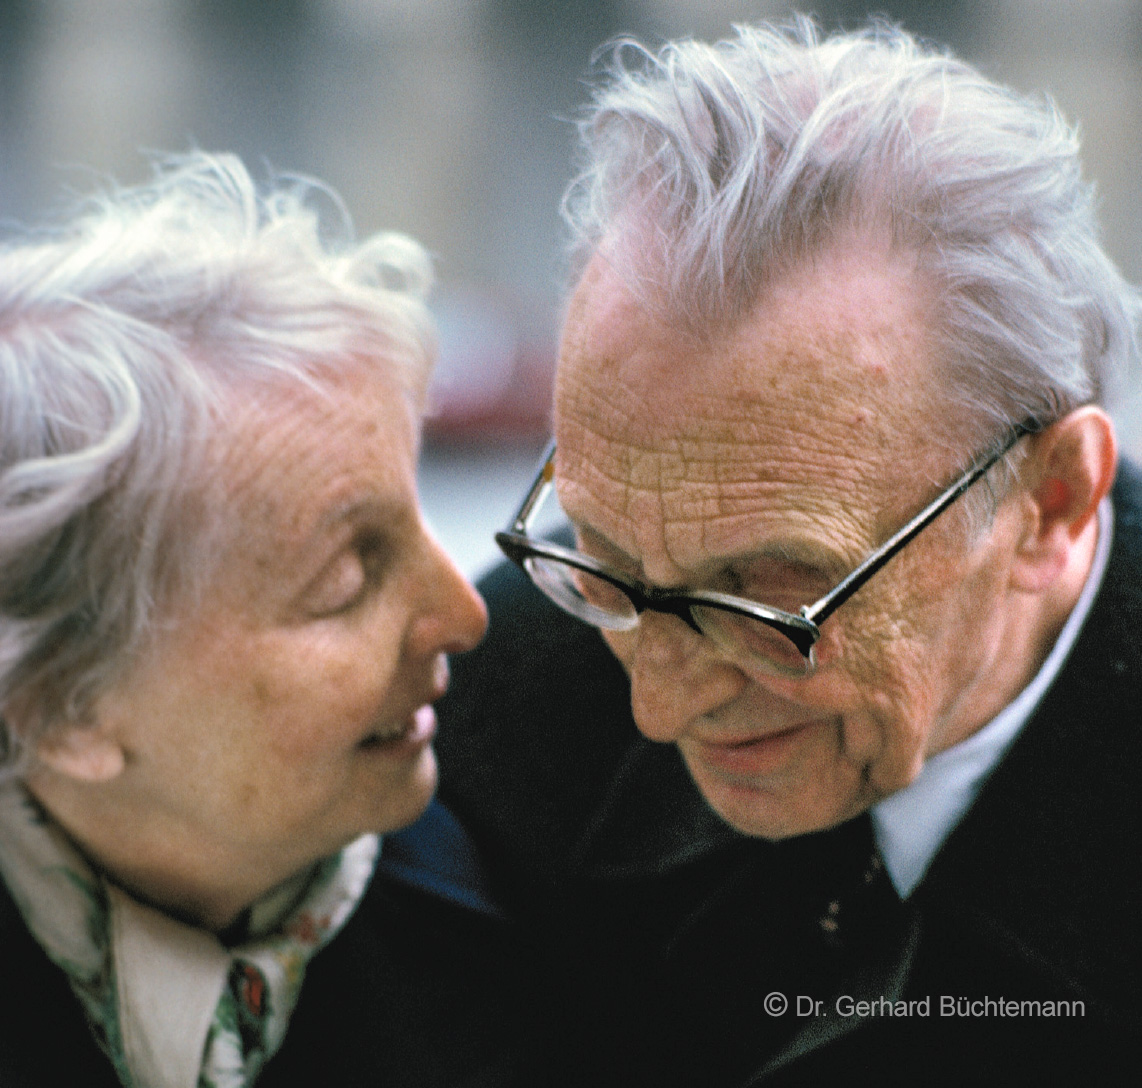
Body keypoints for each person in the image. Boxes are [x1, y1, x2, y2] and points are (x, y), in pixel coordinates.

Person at [436, 17, 1142, 1086]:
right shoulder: (496, 701)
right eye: (605, 554)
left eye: (770, 601)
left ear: (1049, 502)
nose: (656, 711)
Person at [0, 152, 525, 1088]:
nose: (465, 613)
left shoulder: (543, 913)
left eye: (418, 518)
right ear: (59, 709)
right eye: (346, 580)